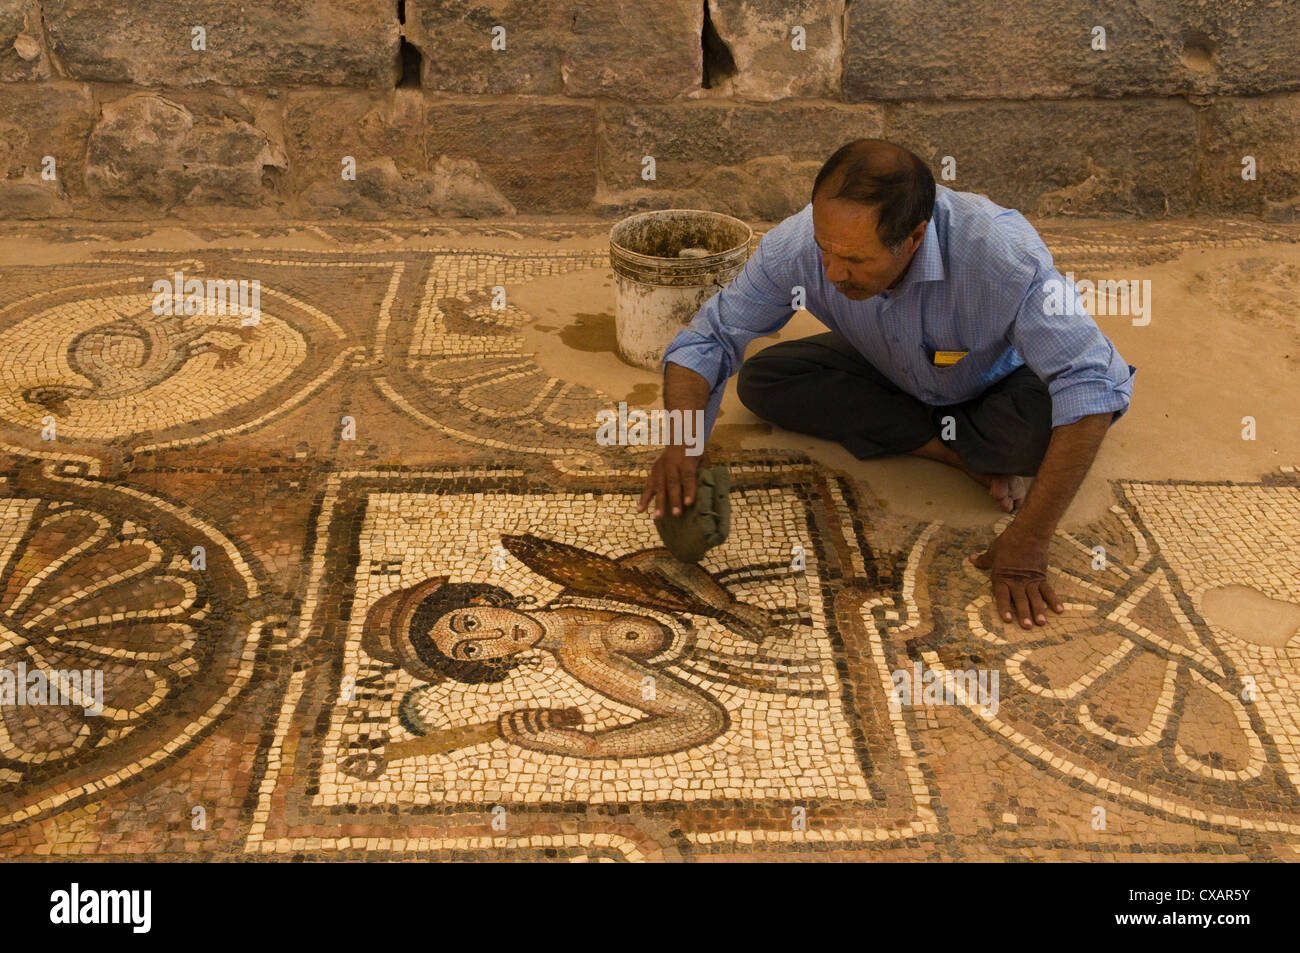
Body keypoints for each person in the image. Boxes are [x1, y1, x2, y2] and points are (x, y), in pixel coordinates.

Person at [639, 139, 1135, 632]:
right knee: (768, 381)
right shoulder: (796, 246)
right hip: (892, 363)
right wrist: (685, 441)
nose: (832, 273)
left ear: (915, 236)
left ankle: (963, 442)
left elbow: (1091, 382)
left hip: (997, 380)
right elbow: (709, 337)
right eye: (824, 249)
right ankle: (955, 451)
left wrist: (1030, 540)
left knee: (1041, 433)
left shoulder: (1002, 258)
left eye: (855, 262)